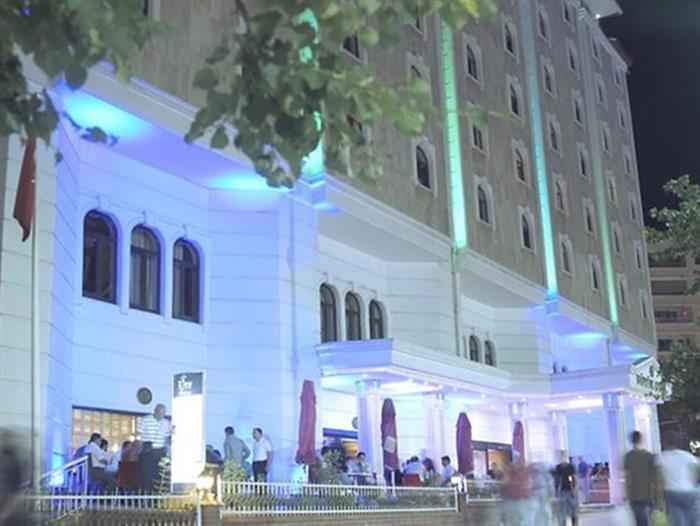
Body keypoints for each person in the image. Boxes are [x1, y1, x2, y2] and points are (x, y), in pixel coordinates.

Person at [658, 431, 699, 526]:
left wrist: (659, 499)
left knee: (677, 521)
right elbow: (696, 475)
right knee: (693, 519)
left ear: (665, 443)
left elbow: (659, 480)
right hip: (690, 492)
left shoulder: (661, 457)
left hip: (672, 493)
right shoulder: (688, 456)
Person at [623, 431, 661, 526]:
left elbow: (628, 478)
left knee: (639, 522)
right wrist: (658, 497)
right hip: (648, 494)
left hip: (634, 495)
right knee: (649, 521)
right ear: (641, 440)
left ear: (631, 441)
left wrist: (627, 494)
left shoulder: (628, 457)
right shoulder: (649, 456)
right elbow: (655, 478)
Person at [137, 403, 172, 492]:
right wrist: (139, 449)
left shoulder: (166, 423)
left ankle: (157, 495)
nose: (161, 415)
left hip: (160, 451)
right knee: (147, 475)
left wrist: (168, 452)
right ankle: (147, 494)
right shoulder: (145, 420)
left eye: (163, 413)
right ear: (155, 411)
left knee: (159, 475)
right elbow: (139, 435)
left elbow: (167, 439)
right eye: (159, 413)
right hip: (148, 450)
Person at [553, 450, 578, 526]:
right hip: (562, 491)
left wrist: (573, 488)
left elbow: (573, 477)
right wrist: (556, 491)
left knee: (573, 509)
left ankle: (574, 523)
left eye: (563, 456)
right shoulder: (558, 467)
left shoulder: (570, 467)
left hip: (570, 490)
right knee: (562, 510)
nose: (562, 458)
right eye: (561, 456)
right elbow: (556, 479)